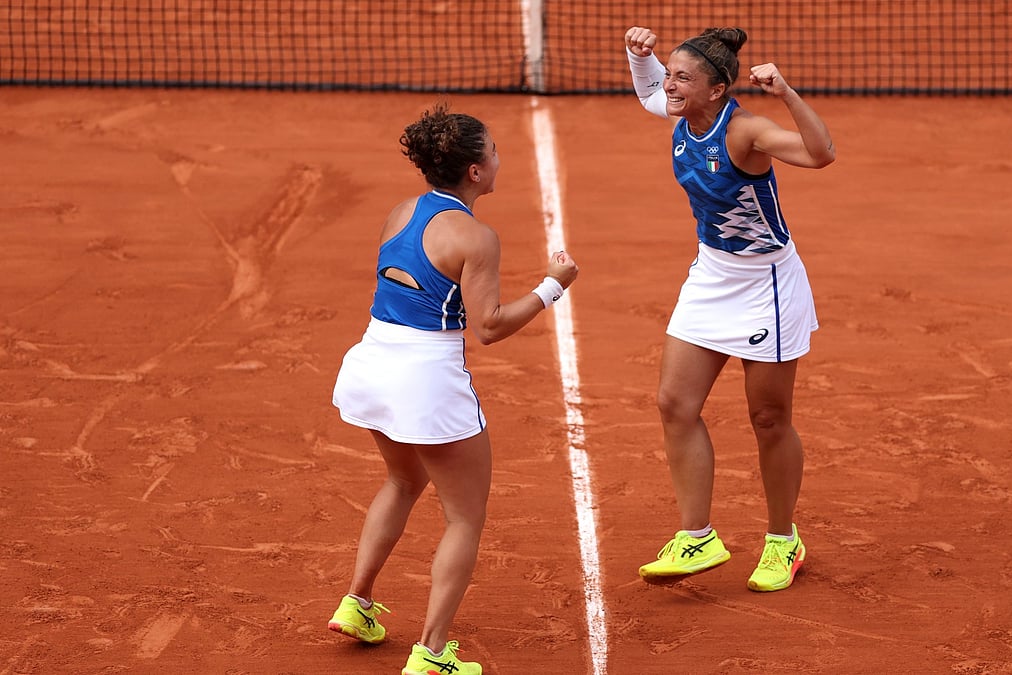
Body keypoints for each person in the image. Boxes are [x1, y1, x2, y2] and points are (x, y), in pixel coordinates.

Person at [326, 102, 579, 674]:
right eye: (492, 151)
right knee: (464, 517)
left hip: (371, 363)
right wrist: (553, 286)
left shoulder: (400, 211)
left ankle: (357, 601)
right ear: (474, 171)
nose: (498, 158)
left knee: (402, 478)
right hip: (425, 380)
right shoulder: (476, 236)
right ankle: (433, 653)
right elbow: (488, 327)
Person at [623, 26, 836, 592]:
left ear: (716, 90)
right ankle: (697, 537)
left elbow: (821, 154)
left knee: (769, 418)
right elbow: (650, 94)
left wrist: (786, 94)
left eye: (682, 77)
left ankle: (782, 540)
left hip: (766, 281)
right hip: (713, 273)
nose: (669, 85)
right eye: (669, 73)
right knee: (675, 402)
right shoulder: (680, 114)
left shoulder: (746, 131)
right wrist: (636, 56)